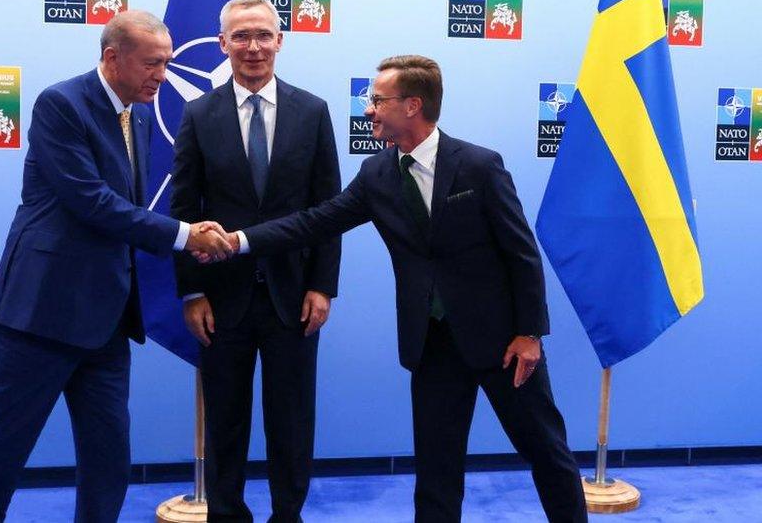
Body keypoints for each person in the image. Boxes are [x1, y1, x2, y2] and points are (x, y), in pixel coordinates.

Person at [220, 55, 588, 522]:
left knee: (546, 452)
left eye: (378, 100)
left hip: (504, 343)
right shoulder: (376, 174)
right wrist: (241, 241)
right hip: (430, 343)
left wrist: (530, 333)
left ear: (413, 105)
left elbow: (522, 254)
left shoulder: (478, 165)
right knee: (436, 468)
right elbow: (314, 222)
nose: (369, 109)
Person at [0, 10, 232, 523]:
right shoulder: (61, 104)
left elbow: (128, 208)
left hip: (107, 323)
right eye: (151, 64)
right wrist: (186, 235)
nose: (162, 76)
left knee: (108, 461)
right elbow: (92, 202)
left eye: (166, 63)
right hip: (38, 319)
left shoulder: (141, 114)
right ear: (111, 57)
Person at [170, 0, 341, 523]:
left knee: (292, 420)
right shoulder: (198, 114)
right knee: (226, 419)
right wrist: (192, 290)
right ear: (222, 44)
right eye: (240, 36)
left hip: (295, 296)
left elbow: (329, 208)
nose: (253, 47)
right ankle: (226, 514)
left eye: (263, 35)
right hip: (222, 298)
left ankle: (288, 514)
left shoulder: (313, 111)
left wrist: (322, 286)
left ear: (280, 41)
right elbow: (183, 211)